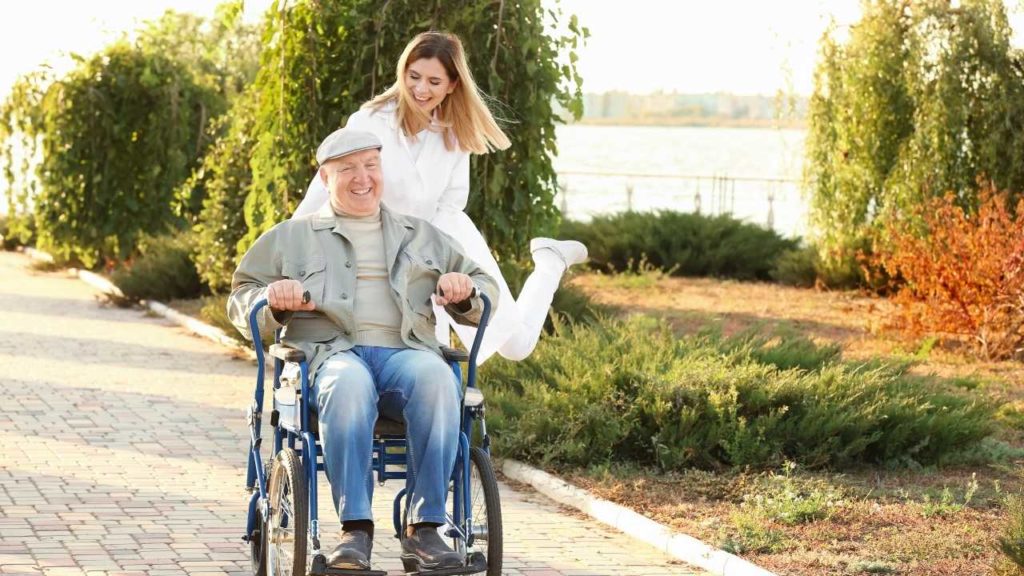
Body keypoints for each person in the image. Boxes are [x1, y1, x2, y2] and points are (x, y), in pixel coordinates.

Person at [228, 127, 500, 572]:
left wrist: (465, 289)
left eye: (371, 166)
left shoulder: (421, 235)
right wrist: (272, 301)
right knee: (347, 382)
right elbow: (241, 298)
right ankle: (356, 530)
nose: (362, 178)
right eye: (347, 169)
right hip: (329, 354)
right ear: (324, 177)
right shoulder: (290, 237)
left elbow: (483, 288)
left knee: (436, 378)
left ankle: (424, 529)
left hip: (406, 352)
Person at [294, 31, 586, 364]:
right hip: (377, 249)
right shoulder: (367, 122)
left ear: (452, 85)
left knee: (516, 347)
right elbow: (326, 186)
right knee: (425, 350)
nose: (420, 89)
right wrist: (290, 246)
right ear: (402, 73)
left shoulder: (454, 132)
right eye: (414, 76)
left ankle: (550, 262)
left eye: (434, 81)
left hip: (445, 240)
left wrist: (431, 257)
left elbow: (451, 203)